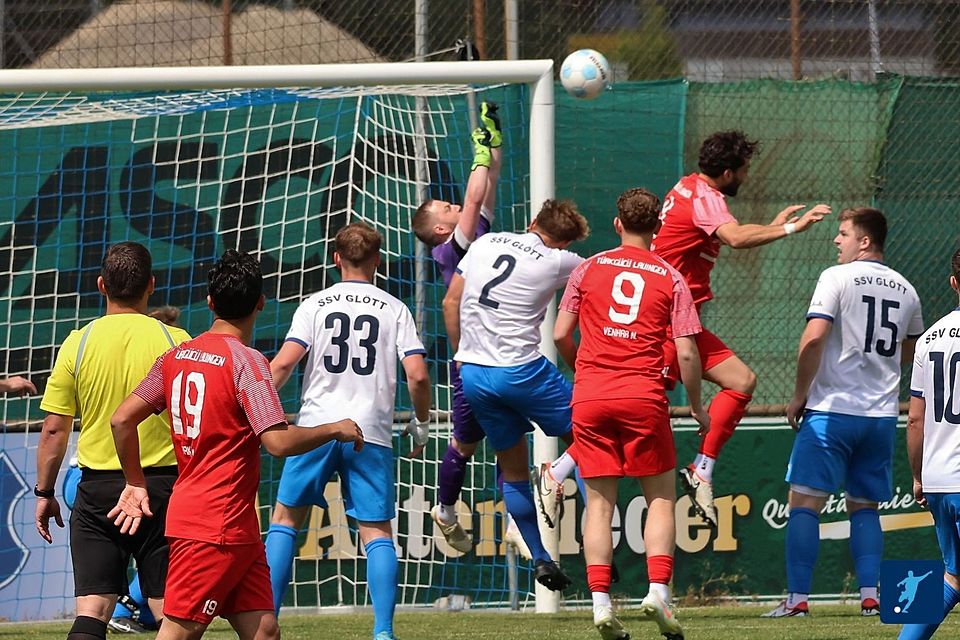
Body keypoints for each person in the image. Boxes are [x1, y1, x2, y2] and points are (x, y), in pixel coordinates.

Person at [107, 249, 363, 640]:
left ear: (210, 303)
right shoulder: (247, 361)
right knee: (177, 633)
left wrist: (135, 481)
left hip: (232, 523)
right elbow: (276, 442)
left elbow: (122, 419)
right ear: (260, 303)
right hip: (214, 524)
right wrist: (334, 428)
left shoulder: (176, 357)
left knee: (265, 630)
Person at [412, 102, 576, 548]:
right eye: (444, 208)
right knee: (465, 444)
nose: (455, 206)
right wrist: (478, 154)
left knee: (509, 437)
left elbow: (486, 190)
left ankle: (515, 525)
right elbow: (471, 196)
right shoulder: (453, 250)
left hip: (491, 357)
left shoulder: (478, 239)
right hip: (475, 360)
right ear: (443, 230)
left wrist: (493, 144)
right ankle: (445, 507)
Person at [652, 130, 832, 528]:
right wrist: (790, 229)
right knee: (639, 410)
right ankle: (560, 471)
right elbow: (733, 237)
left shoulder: (689, 185)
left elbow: (724, 228)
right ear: (728, 171)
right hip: (663, 322)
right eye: (745, 170)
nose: (748, 177)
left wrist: (768, 225)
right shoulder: (706, 198)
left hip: (681, 320)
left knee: (742, 381)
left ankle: (702, 468)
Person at [554, 188, 709, 639]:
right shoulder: (670, 276)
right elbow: (686, 351)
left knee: (599, 504)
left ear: (617, 223)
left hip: (592, 395)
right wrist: (697, 405)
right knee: (660, 497)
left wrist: (584, 368)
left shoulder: (587, 267)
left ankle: (601, 604)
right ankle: (657, 594)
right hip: (642, 395)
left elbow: (563, 333)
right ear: (657, 227)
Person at [265, 223, 431, 640]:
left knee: (286, 520)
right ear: (377, 261)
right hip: (369, 433)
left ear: (336, 258)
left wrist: (255, 403)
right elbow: (417, 375)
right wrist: (422, 421)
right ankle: (383, 632)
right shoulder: (394, 308)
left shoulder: (315, 305)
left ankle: (266, 623)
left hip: (316, 429)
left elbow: (284, 364)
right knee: (377, 533)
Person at [763, 208, 923, 618]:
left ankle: (797, 600)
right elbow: (910, 350)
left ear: (864, 241)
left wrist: (799, 393)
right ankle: (871, 597)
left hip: (831, 411)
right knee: (866, 507)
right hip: (880, 416)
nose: (837, 241)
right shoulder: (907, 289)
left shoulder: (835, 277)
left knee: (803, 504)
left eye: (843, 233)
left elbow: (814, 339)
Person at [34, 242, 191, 640]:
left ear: (101, 285)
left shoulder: (78, 342)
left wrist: (44, 491)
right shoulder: (176, 340)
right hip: (161, 489)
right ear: (151, 285)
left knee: (93, 609)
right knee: (169, 611)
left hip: (99, 489)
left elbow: (55, 428)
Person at [444, 198, 589, 591]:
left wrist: (461, 358)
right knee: (594, 438)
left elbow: (450, 301)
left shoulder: (485, 243)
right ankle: (560, 477)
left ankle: (541, 559)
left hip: (474, 373)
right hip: (522, 370)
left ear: (532, 221)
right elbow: (603, 275)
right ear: (563, 243)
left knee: (512, 469)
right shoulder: (559, 262)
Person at [897, 247, 960, 640]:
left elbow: (916, 418)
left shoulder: (930, 338)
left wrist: (918, 477)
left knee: (953, 574)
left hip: (939, 477)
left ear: (954, 283)